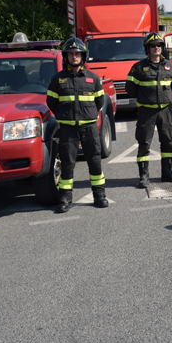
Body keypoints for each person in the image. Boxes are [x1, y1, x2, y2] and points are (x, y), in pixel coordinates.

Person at [46, 37, 108, 212]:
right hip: (67, 128)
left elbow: (99, 101)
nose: (74, 57)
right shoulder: (57, 79)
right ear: (66, 56)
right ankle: (65, 198)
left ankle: (99, 195)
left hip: (89, 127)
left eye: (77, 53)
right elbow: (51, 102)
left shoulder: (93, 78)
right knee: (67, 163)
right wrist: (64, 116)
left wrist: (88, 116)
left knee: (94, 161)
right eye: (71, 54)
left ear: (83, 56)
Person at [126, 32, 172, 188]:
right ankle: (143, 176)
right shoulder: (138, 67)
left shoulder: (169, 65)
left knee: (168, 141)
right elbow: (130, 88)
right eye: (153, 45)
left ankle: (167, 172)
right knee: (144, 143)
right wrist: (145, 98)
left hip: (165, 111)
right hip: (146, 112)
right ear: (147, 49)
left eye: (159, 45)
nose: (156, 48)